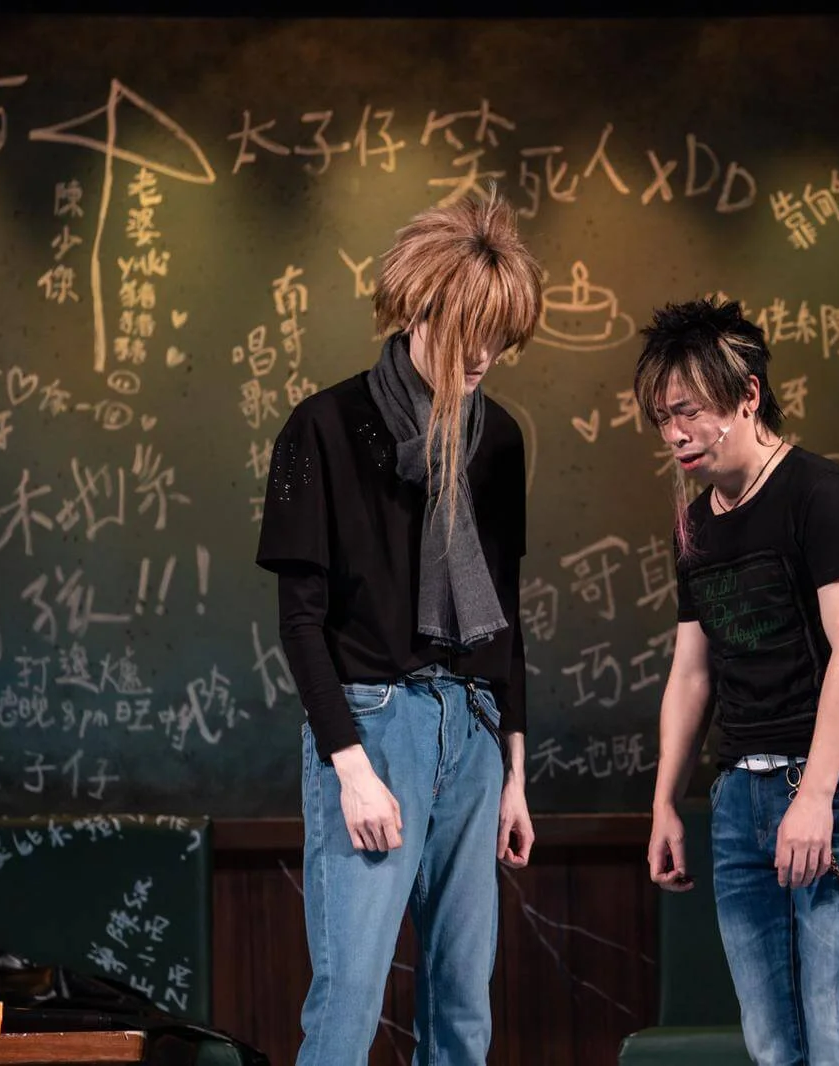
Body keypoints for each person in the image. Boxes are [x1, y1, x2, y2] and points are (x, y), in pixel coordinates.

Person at [256, 188, 541, 1065]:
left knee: (463, 1004)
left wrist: (515, 771)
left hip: (475, 728)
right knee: (349, 996)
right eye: (470, 332)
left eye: (501, 337)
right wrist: (351, 770)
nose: (484, 355)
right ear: (418, 311)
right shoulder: (324, 427)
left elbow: (505, 617)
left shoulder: (498, 440)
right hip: (373, 728)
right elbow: (300, 621)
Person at [637, 298, 839, 1065]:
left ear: (748, 395)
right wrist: (664, 803)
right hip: (741, 797)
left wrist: (815, 797)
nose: (674, 434)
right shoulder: (695, 526)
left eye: (688, 411)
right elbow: (691, 673)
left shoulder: (821, 494)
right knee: (772, 1045)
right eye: (662, 418)